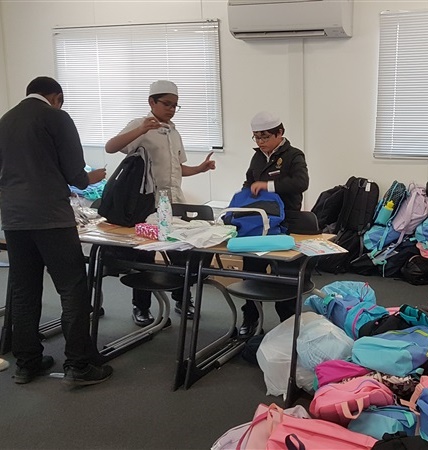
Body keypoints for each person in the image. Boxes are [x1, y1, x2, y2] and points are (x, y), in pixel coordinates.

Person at [0, 76, 113, 386]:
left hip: (13, 219)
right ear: (56, 97)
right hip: (51, 217)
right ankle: (78, 365)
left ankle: (27, 364)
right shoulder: (56, 117)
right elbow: (76, 174)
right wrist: (92, 177)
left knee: (24, 290)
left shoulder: (4, 121)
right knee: (72, 287)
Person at [105, 80, 216, 326]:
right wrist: (141, 129)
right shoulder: (140, 125)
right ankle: (141, 306)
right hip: (148, 203)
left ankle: (182, 299)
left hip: (174, 201)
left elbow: (177, 168)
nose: (172, 109)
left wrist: (200, 168)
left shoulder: (173, 132)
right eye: (167, 104)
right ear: (152, 102)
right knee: (144, 255)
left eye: (175, 105)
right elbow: (111, 147)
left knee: (181, 253)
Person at [239, 111, 310, 337]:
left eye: (265, 137)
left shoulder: (294, 155)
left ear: (280, 133)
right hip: (260, 223)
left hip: (287, 221)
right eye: (256, 137)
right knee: (251, 272)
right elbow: (249, 182)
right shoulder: (257, 157)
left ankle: (288, 326)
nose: (260, 142)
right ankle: (251, 318)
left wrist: (267, 186)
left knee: (285, 277)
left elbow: (301, 182)